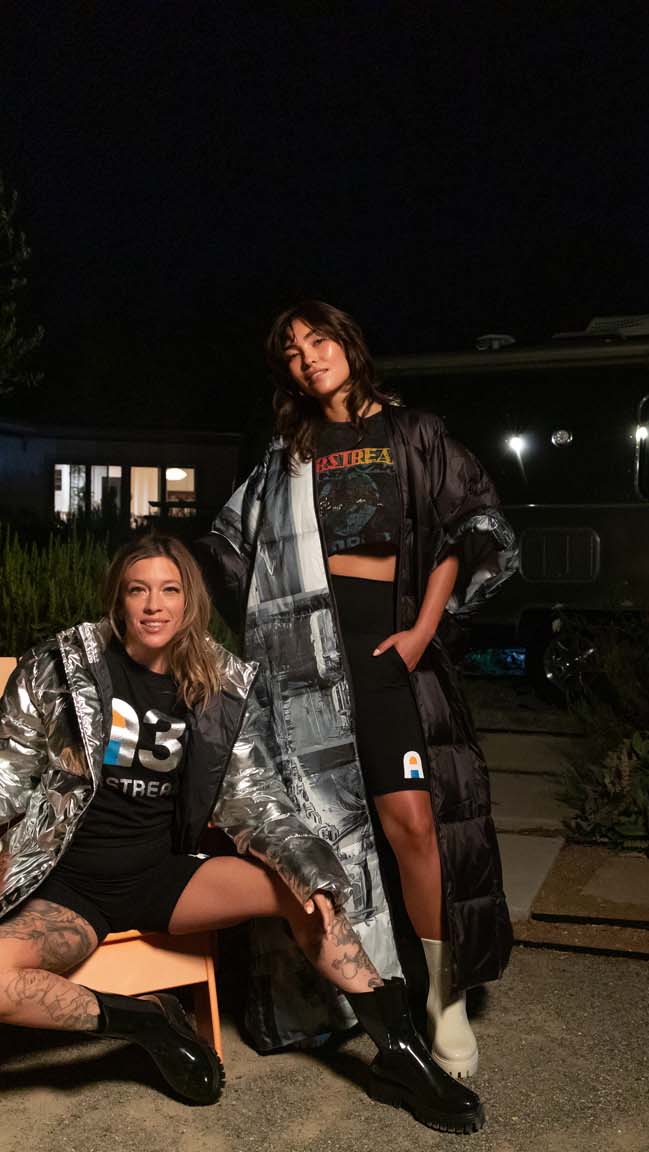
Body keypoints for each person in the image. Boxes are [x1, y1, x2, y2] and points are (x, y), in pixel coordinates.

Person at [0, 532, 484, 1133]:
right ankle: (145, 1022)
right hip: (69, 889)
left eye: (169, 590)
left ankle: (399, 1052)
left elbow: (257, 803)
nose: (153, 605)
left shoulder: (218, 685)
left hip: (166, 876)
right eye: (137, 590)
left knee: (306, 890)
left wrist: (308, 864)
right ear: (118, 598)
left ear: (190, 601)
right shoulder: (61, 667)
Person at [195, 300, 519, 1079]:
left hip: (388, 649)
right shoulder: (288, 454)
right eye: (293, 352)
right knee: (327, 829)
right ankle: (365, 989)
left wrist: (421, 633)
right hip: (304, 663)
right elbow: (231, 547)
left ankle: (443, 997)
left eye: (319, 340)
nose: (309, 358)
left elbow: (460, 528)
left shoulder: (414, 433)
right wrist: (169, 579)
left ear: (348, 343)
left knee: (413, 823)